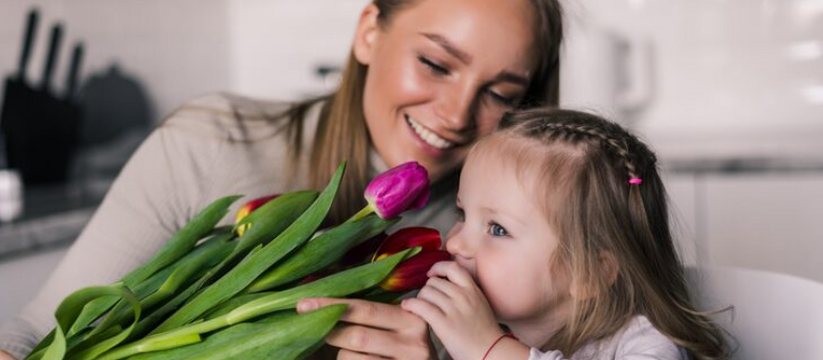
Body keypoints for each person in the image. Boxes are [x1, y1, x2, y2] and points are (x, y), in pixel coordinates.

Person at [0, 0, 564, 359]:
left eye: (500, 95)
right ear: (369, 31)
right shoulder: (215, 144)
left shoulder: (507, 242)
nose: (457, 114)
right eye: (436, 64)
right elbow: (37, 335)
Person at [394, 108, 731, 359]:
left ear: (591, 273)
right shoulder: (475, 330)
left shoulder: (645, 345)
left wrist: (488, 349)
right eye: (462, 214)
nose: (454, 242)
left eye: (497, 229)